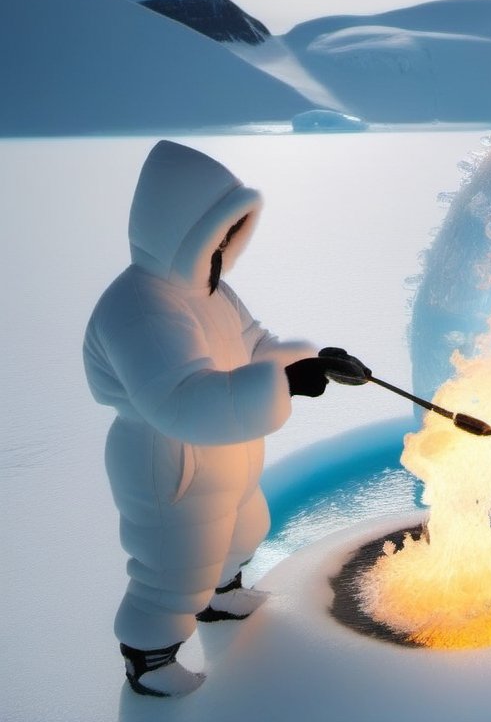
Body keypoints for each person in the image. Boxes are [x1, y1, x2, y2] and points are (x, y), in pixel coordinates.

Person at [83, 140, 367, 698]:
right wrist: (281, 385)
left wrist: (308, 362)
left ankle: (222, 593)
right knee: (175, 561)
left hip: (227, 454)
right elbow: (182, 401)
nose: (226, 246)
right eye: (219, 232)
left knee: (241, 527)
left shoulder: (210, 290)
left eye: (232, 232)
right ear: (179, 228)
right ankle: (149, 657)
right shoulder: (138, 308)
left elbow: (252, 342)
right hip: (170, 464)